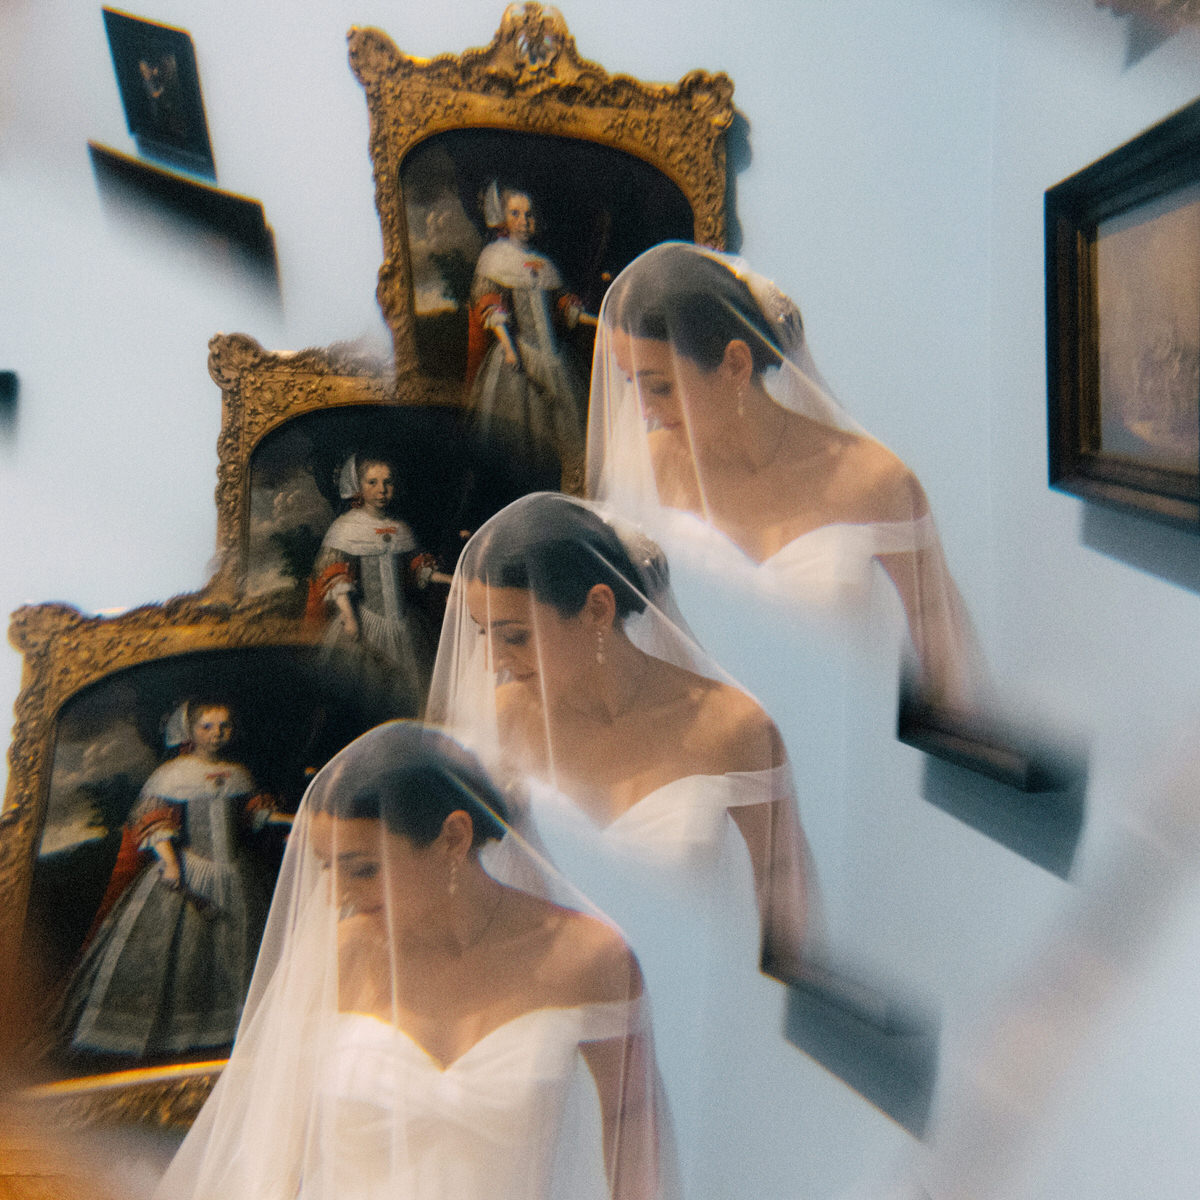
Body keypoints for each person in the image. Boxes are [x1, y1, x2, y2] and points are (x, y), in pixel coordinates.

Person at [427, 492, 816, 1200]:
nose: (495, 664)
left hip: (719, 1036)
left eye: (514, 635)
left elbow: (782, 897)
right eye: (485, 635)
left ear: (599, 610)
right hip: (578, 1058)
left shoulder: (732, 732)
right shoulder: (502, 734)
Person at [154, 721, 666, 1200]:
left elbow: (631, 1118)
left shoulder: (589, 960)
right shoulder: (336, 957)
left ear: (453, 838)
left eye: (361, 869)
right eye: (328, 869)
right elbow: (271, 1156)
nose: (338, 897)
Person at [587, 241, 982, 716]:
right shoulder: (642, 471)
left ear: (735, 363)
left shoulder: (876, 483)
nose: (645, 411)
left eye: (660, 386)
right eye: (634, 385)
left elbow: (935, 625)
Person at [59, 700, 287, 1058]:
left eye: (224, 726)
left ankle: (232, 1031)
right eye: (207, 727)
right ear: (190, 731)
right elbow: (154, 821)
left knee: (238, 947)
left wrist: (294, 819)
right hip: (188, 867)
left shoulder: (237, 772)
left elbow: (254, 816)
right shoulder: (173, 774)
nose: (216, 734)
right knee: (182, 956)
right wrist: (169, 862)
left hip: (236, 874)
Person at [465, 182, 591, 486]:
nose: (524, 221)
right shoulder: (495, 258)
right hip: (518, 358)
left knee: (569, 434)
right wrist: (509, 348)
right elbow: (490, 307)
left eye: (529, 214)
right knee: (521, 443)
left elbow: (563, 307)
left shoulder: (545, 264)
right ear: (503, 218)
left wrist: (596, 320)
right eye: (516, 213)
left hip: (555, 359)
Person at [308, 453, 436, 712]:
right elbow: (334, 574)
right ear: (358, 487)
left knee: (410, 696)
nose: (381, 490)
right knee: (366, 698)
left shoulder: (400, 527)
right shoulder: (345, 527)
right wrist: (348, 616)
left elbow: (418, 569)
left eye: (387, 483)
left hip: (403, 627)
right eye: (372, 483)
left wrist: (455, 578)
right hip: (365, 622)